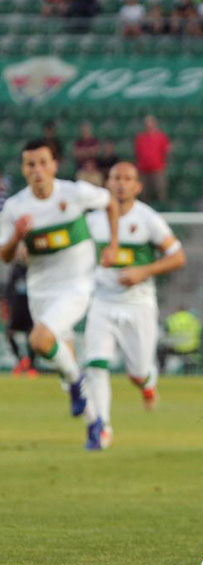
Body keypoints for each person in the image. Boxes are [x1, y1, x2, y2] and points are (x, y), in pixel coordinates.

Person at [0, 140, 119, 444]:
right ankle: (96, 426)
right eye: (30, 164)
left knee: (40, 339)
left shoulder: (74, 192)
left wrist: (113, 245)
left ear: (54, 164)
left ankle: (79, 384)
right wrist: (17, 236)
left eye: (43, 162)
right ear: (23, 168)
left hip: (77, 283)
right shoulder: (15, 208)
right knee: (63, 361)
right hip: (41, 288)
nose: (37, 170)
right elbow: (5, 255)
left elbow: (110, 202)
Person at [83, 162, 186, 450]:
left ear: (138, 186)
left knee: (138, 371)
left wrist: (143, 272)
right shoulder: (93, 220)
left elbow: (177, 257)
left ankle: (147, 382)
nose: (120, 183)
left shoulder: (147, 219)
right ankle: (101, 427)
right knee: (95, 364)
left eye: (128, 179)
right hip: (102, 301)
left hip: (138, 304)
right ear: (107, 183)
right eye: (115, 178)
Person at [5, 245, 37, 378]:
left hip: (32, 310)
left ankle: (30, 365)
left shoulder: (34, 270)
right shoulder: (15, 269)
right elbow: (8, 290)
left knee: (34, 337)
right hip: (18, 309)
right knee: (10, 334)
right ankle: (21, 361)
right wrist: (8, 307)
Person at [134, 115, 171, 204]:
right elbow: (137, 152)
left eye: (151, 123)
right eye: (147, 124)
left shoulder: (161, 137)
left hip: (157, 168)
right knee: (144, 192)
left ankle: (163, 206)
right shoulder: (140, 138)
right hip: (143, 169)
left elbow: (167, 151)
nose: (149, 126)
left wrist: (163, 164)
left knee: (160, 189)